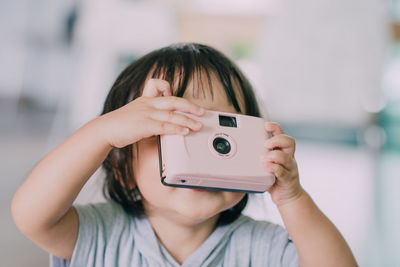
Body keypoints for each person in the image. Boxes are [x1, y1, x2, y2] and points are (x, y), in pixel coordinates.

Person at [11, 43, 357, 267]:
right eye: (167, 130)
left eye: (219, 133)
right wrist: (101, 132)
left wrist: (292, 197)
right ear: (122, 166)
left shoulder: (260, 247)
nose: (200, 149)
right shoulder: (100, 234)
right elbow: (31, 215)